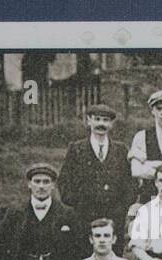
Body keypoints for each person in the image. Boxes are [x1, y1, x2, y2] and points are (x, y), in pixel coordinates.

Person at [58, 104, 136, 251]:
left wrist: (121, 208)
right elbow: (64, 182)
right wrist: (78, 205)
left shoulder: (121, 150)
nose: (101, 124)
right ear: (89, 121)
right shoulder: (76, 149)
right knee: (84, 257)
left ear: (111, 124)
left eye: (106, 120)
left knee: (113, 259)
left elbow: (130, 183)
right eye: (97, 119)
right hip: (84, 217)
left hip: (114, 218)